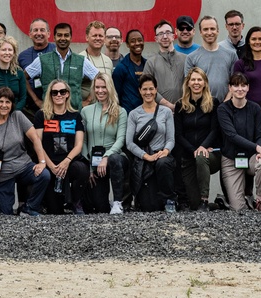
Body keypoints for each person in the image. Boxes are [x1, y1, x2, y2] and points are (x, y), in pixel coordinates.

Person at [0, 85, 49, 216]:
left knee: (44, 175)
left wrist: (42, 161)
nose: (4, 105)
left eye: (8, 102)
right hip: (1, 174)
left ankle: (29, 207)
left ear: (12, 104)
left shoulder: (18, 116)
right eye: (1, 101)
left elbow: (35, 139)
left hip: (23, 166)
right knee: (5, 213)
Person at [33, 78, 90, 214]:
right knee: (55, 211)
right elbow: (38, 143)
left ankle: (76, 201)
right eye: (55, 92)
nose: (58, 95)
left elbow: (79, 145)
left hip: (69, 162)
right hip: (50, 163)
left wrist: (66, 162)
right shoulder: (41, 115)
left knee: (81, 170)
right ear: (50, 95)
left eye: (62, 92)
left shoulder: (75, 115)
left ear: (67, 94)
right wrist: (51, 166)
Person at [217, 73, 261, 211]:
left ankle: (259, 200)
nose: (239, 89)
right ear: (230, 88)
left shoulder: (255, 108)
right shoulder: (223, 109)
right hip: (231, 158)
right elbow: (232, 135)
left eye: (243, 85)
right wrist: (257, 147)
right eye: (235, 85)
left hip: (251, 156)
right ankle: (242, 200)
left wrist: (259, 151)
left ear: (248, 88)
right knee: (238, 208)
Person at [126, 76, 176, 212]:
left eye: (151, 89)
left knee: (163, 163)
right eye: (145, 89)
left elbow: (171, 139)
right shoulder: (134, 114)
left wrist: (165, 151)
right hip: (144, 159)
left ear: (156, 90)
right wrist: (146, 156)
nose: (148, 92)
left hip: (162, 155)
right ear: (139, 91)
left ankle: (169, 199)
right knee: (149, 206)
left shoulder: (166, 112)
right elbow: (129, 143)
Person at [174, 67, 221, 211]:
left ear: (205, 83)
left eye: (199, 79)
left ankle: (205, 201)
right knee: (193, 205)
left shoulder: (213, 103)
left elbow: (215, 130)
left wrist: (202, 147)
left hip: (210, 155)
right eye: (193, 79)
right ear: (188, 83)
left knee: (201, 156)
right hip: (189, 156)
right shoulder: (180, 105)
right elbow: (178, 135)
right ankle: (215, 204)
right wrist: (193, 150)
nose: (196, 83)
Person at [81, 74, 128, 213]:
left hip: (116, 158)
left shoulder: (120, 111)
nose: (100, 91)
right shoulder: (85, 111)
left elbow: (120, 139)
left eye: (104, 87)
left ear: (110, 88)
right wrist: (89, 167)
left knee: (114, 159)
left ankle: (117, 202)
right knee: (99, 207)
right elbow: (83, 141)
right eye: (97, 87)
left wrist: (106, 156)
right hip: (94, 162)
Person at [28, 21, 95, 110]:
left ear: (71, 38)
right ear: (54, 37)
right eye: (59, 35)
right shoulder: (42, 60)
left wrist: (88, 101)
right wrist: (36, 100)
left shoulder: (81, 61)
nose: (63, 38)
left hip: (73, 113)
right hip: (49, 113)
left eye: (66, 35)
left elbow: (99, 78)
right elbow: (23, 77)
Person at [191, 16, 240, 102]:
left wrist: (226, 103)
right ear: (200, 32)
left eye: (212, 29)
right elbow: (190, 85)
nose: (209, 32)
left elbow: (235, 82)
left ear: (218, 31)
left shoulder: (231, 55)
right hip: (201, 106)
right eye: (205, 29)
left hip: (226, 106)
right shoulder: (191, 57)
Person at [143, 21, 188, 110]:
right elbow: (146, 87)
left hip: (184, 110)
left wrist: (183, 103)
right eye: (160, 34)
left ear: (173, 35)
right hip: (160, 111)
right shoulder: (151, 62)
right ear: (156, 39)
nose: (164, 37)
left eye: (168, 33)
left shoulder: (186, 59)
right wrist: (169, 105)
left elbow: (191, 84)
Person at [112, 28, 147, 112]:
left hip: (147, 113)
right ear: (127, 44)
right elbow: (116, 95)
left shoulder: (148, 64)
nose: (137, 43)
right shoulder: (121, 68)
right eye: (133, 41)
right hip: (129, 114)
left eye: (140, 40)